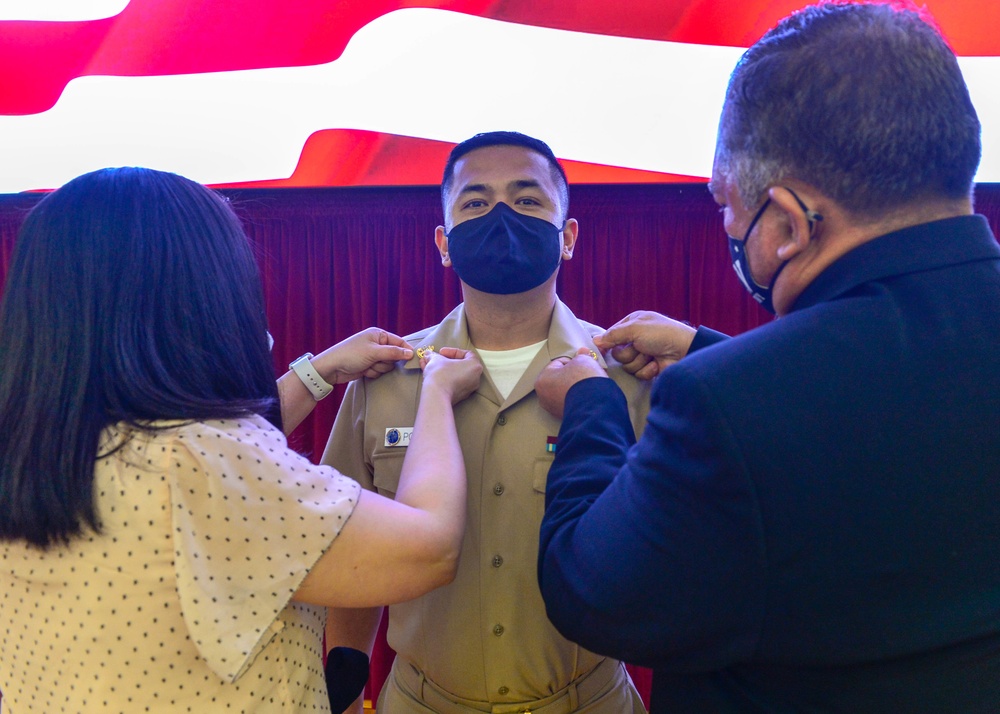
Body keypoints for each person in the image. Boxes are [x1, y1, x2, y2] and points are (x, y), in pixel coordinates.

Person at [533, 2, 1000, 712]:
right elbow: (897, 407)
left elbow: (593, 591)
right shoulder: (741, 394)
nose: (728, 228)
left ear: (786, 222)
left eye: (727, 207)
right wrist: (705, 351)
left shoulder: (723, 405)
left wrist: (591, 407)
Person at [0, 166, 483, 713]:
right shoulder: (200, 465)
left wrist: (317, 372)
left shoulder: (34, 445)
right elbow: (430, 547)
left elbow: (194, 464)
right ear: (201, 302)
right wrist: (438, 395)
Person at [321, 131, 651, 713]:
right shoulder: (386, 378)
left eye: (528, 200)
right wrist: (344, 696)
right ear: (444, 244)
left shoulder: (628, 377)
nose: (502, 215)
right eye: (475, 202)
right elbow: (350, 555)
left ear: (567, 236)